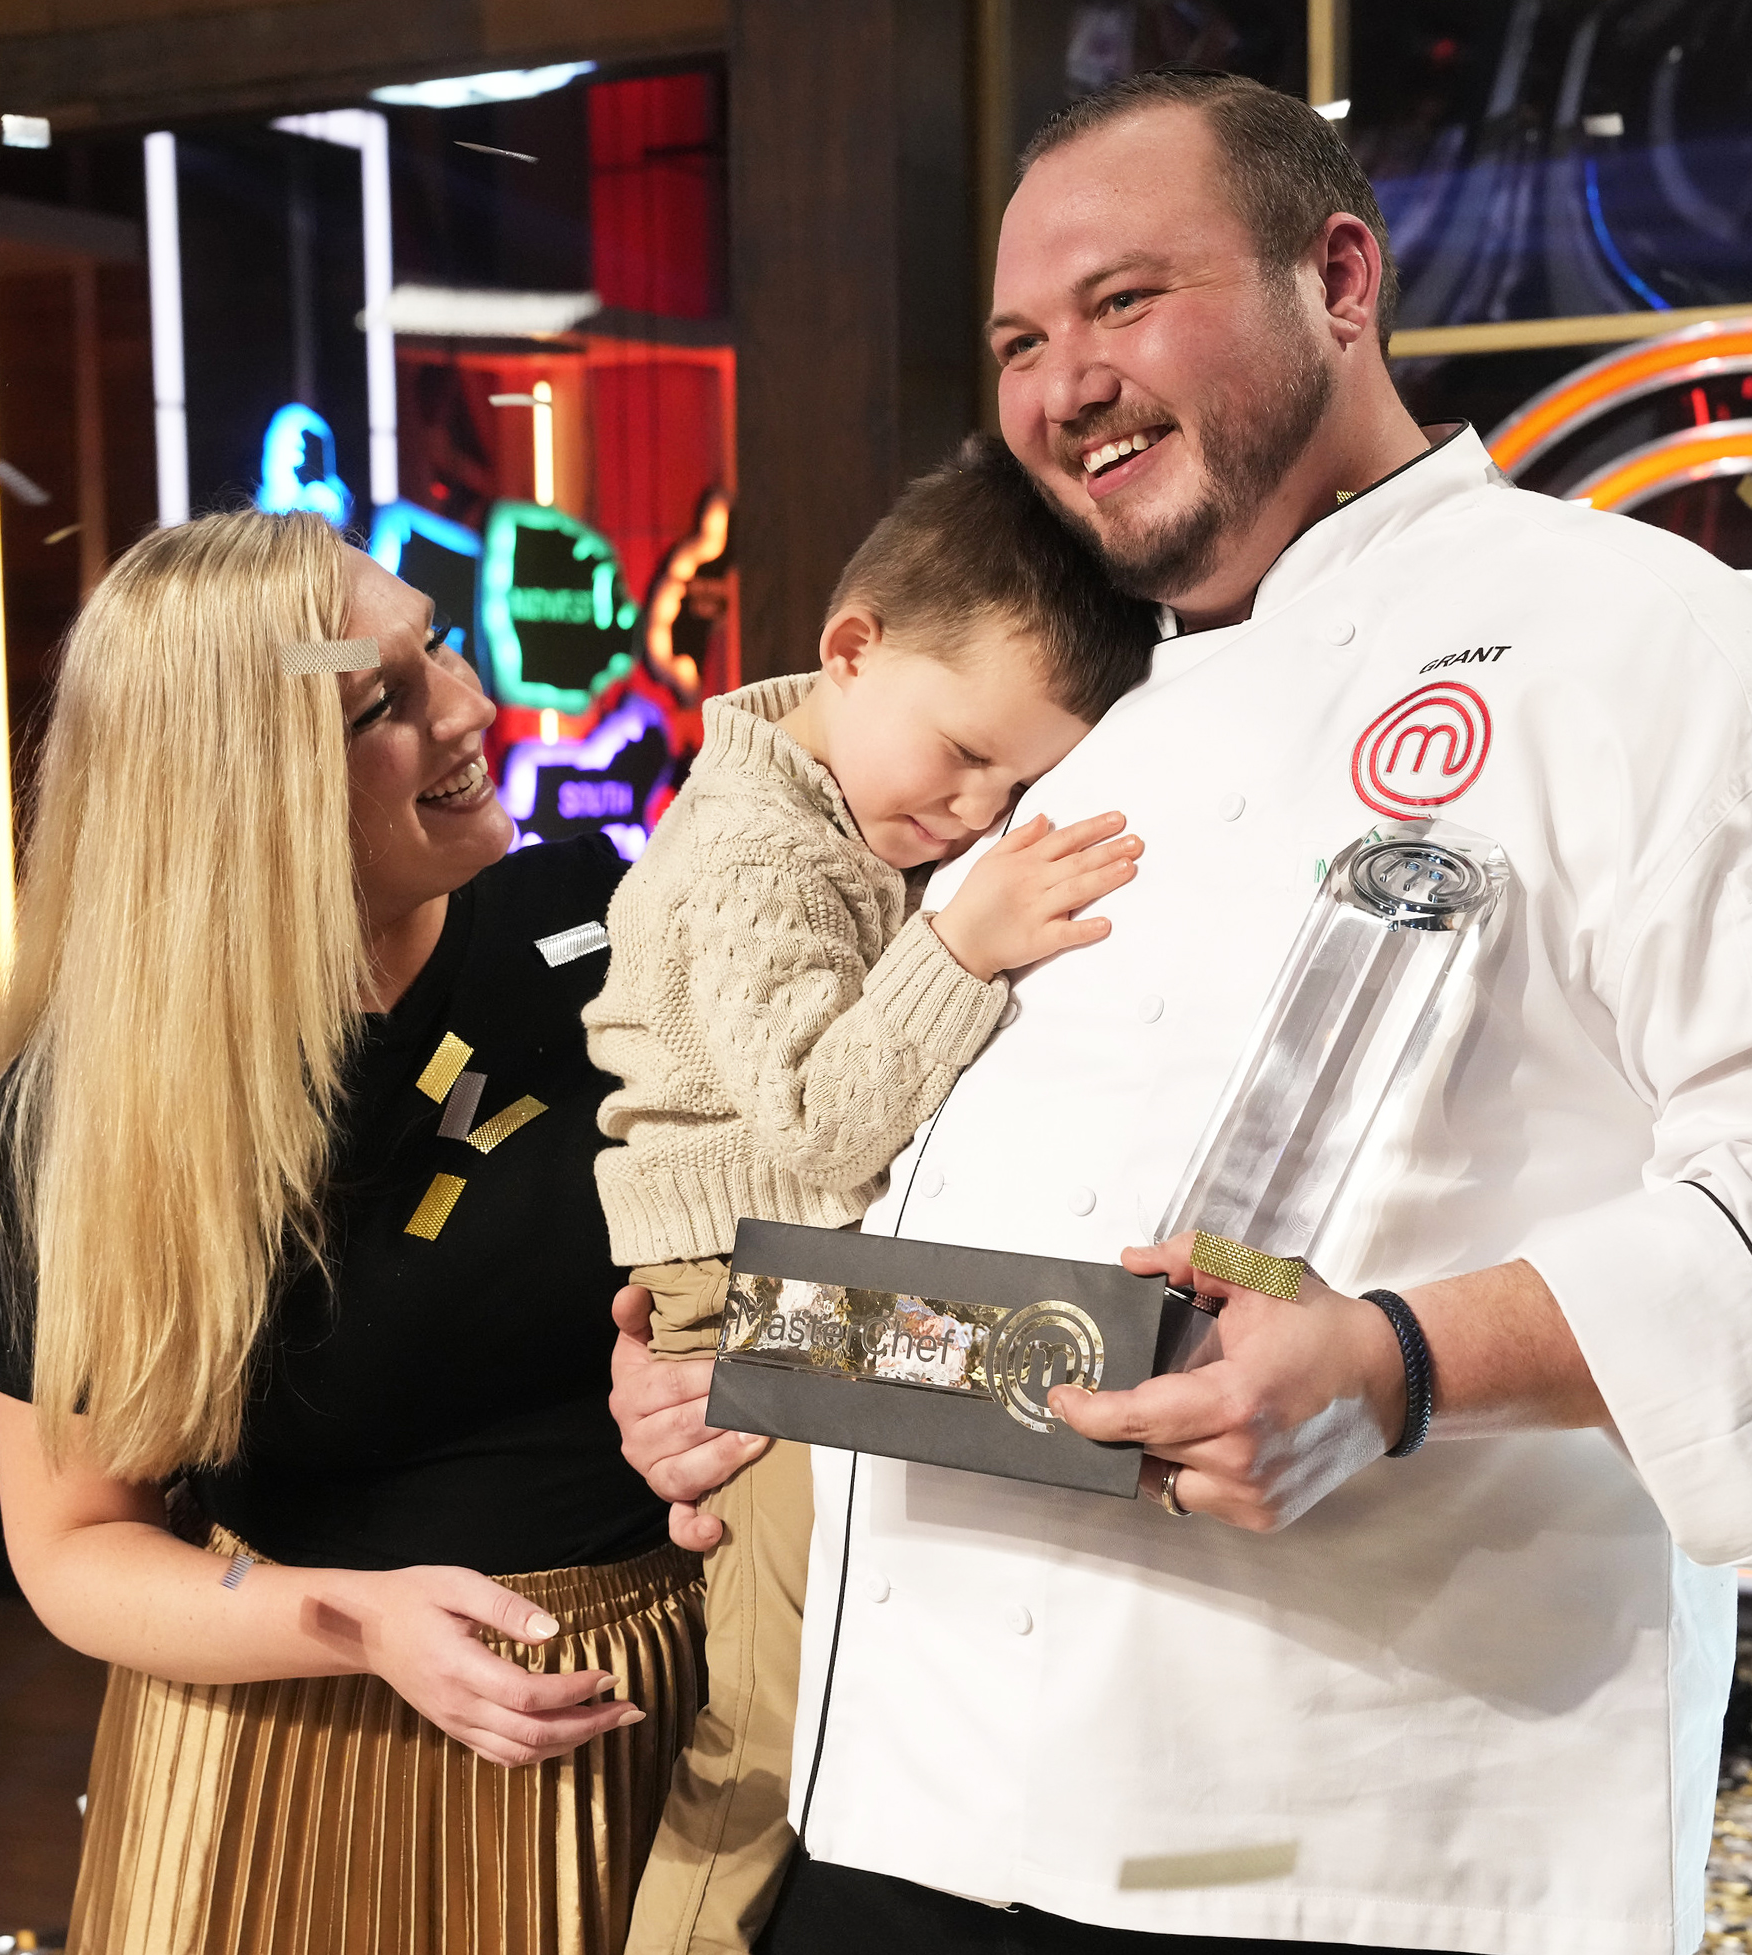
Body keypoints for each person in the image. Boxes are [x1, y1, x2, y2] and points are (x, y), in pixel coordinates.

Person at [612, 69, 1752, 1955]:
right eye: (1022, 338)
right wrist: (754, 1358)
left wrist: (1395, 1363)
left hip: (1346, 1845)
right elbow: (1009, 1254)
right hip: (901, 1812)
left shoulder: (1645, 644)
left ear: (1336, 276)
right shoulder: (1088, 738)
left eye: (1124, 302)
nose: (1060, 383)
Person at [0, 509, 695, 1955]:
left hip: (639, 1711)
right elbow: (74, 1548)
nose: (469, 709)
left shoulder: (598, 925)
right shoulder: (100, 1109)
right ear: (245, 793)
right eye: (384, 705)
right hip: (285, 1749)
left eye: (433, 649)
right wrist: (348, 1620)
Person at [592, 435, 1159, 1955]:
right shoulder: (760, 852)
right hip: (751, 1280)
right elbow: (814, 1125)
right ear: (851, 649)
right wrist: (962, 946)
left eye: (1019, 782)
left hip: (795, 1284)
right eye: (964, 753)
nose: (978, 812)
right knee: (767, 1732)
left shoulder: (828, 821)